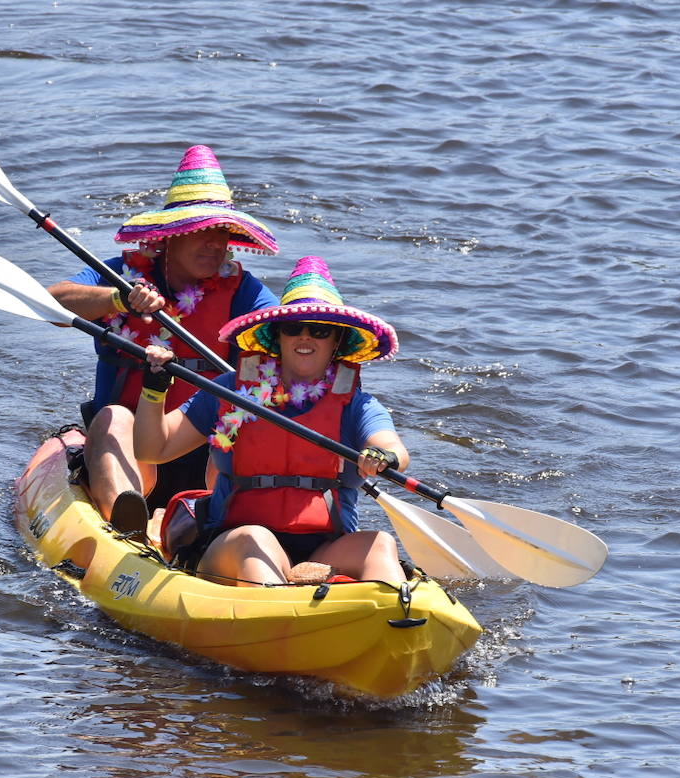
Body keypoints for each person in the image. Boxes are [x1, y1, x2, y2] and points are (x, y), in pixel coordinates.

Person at [134, 256, 409, 585]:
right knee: (255, 540)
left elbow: (393, 448)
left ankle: (400, 618)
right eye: (293, 328)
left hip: (323, 549)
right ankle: (278, 609)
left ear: (337, 342)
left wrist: (384, 457)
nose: (305, 337)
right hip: (235, 542)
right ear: (277, 336)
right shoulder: (230, 390)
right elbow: (154, 449)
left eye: (320, 330)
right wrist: (154, 388)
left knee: (381, 543)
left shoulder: (356, 405)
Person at [45, 145, 279, 532]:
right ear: (171, 235)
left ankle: (225, 529)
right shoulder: (123, 273)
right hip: (129, 444)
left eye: (223, 232)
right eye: (203, 231)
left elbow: (283, 339)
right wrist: (117, 299)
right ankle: (127, 521)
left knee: (246, 429)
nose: (215, 243)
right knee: (113, 416)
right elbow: (52, 304)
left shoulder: (243, 292)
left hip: (203, 443)